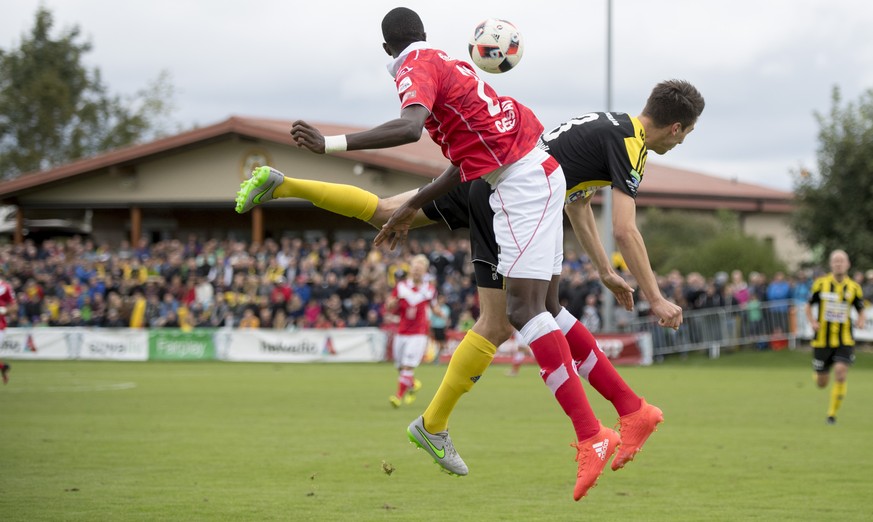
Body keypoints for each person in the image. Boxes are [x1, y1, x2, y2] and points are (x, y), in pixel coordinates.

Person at [237, 77, 703, 496]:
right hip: (514, 194)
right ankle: (596, 425)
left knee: (396, 220)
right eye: (688, 135)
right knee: (519, 315)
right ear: (677, 128)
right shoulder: (631, 145)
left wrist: (603, 270)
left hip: (500, 180)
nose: (683, 142)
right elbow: (625, 228)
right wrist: (656, 296)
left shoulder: (607, 124)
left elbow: (578, 204)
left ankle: (284, 185)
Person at [287, 7, 615, 500]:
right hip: (532, 170)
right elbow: (462, 164)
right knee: (541, 309)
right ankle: (614, 419)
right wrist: (413, 206)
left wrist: (331, 144)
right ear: (424, 34)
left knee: (524, 312)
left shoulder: (414, 66)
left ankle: (591, 436)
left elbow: (408, 128)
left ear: (386, 50)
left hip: (521, 181)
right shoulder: (449, 64)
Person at [804, 249, 865, 424]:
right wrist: (812, 321)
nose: (838, 264)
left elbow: (860, 309)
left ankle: (831, 415)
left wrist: (861, 320)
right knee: (822, 382)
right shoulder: (820, 284)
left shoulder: (854, 287)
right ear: (831, 265)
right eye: (835, 261)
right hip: (822, 339)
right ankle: (820, 373)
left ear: (848, 264)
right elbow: (807, 306)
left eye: (841, 261)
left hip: (844, 339)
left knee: (840, 373)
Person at [386, 254, 434, 407]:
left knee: (407, 365)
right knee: (400, 367)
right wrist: (391, 304)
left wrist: (440, 313)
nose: (417, 271)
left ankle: (398, 396)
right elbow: (390, 307)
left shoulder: (429, 289)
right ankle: (413, 385)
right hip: (402, 332)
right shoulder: (401, 287)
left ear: (425, 271)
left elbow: (434, 306)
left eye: (420, 269)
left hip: (418, 334)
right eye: (414, 268)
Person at [0, 271, 16, 384]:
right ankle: (3, 367)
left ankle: (3, 367)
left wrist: (5, 310)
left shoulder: (5, 287)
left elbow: (14, 307)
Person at [428, 293, 452, 364]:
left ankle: (437, 358)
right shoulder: (435, 307)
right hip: (435, 326)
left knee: (441, 343)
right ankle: (436, 358)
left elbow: (446, 317)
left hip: (441, 327)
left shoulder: (446, 308)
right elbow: (432, 317)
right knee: (437, 343)